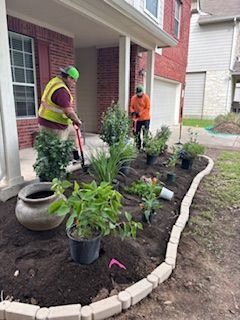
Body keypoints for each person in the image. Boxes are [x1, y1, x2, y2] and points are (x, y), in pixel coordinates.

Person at [38, 65, 82, 161]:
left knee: (73, 133)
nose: (74, 84)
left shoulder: (56, 82)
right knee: (57, 149)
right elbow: (68, 112)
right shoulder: (61, 91)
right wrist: (77, 120)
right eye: (74, 80)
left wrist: (73, 120)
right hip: (52, 124)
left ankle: (75, 156)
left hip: (59, 121)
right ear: (69, 77)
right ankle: (56, 167)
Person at [130, 85, 151, 150]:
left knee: (145, 133)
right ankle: (138, 146)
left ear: (142, 92)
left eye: (140, 93)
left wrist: (140, 113)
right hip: (137, 119)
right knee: (136, 133)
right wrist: (133, 112)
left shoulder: (146, 97)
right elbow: (131, 107)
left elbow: (147, 108)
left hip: (145, 118)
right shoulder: (133, 98)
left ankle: (145, 146)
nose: (139, 94)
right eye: (137, 93)